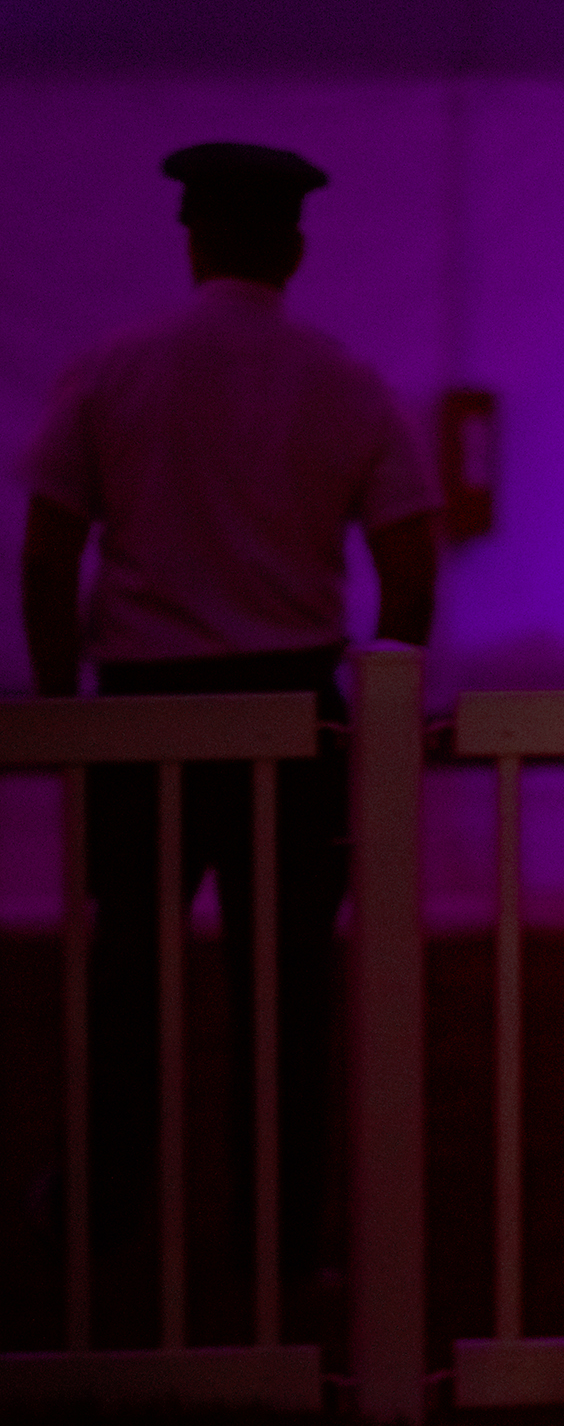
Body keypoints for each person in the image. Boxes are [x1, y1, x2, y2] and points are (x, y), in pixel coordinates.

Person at [20, 142, 439, 1339]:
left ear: (193, 238)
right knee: (289, 988)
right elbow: (406, 567)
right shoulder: (344, 382)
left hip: (142, 707)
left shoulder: (113, 370)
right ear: (294, 248)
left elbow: (50, 553)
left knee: (124, 980)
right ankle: (278, 1236)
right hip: (296, 707)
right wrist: (375, 711)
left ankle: (101, 1213)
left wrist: (64, 712)